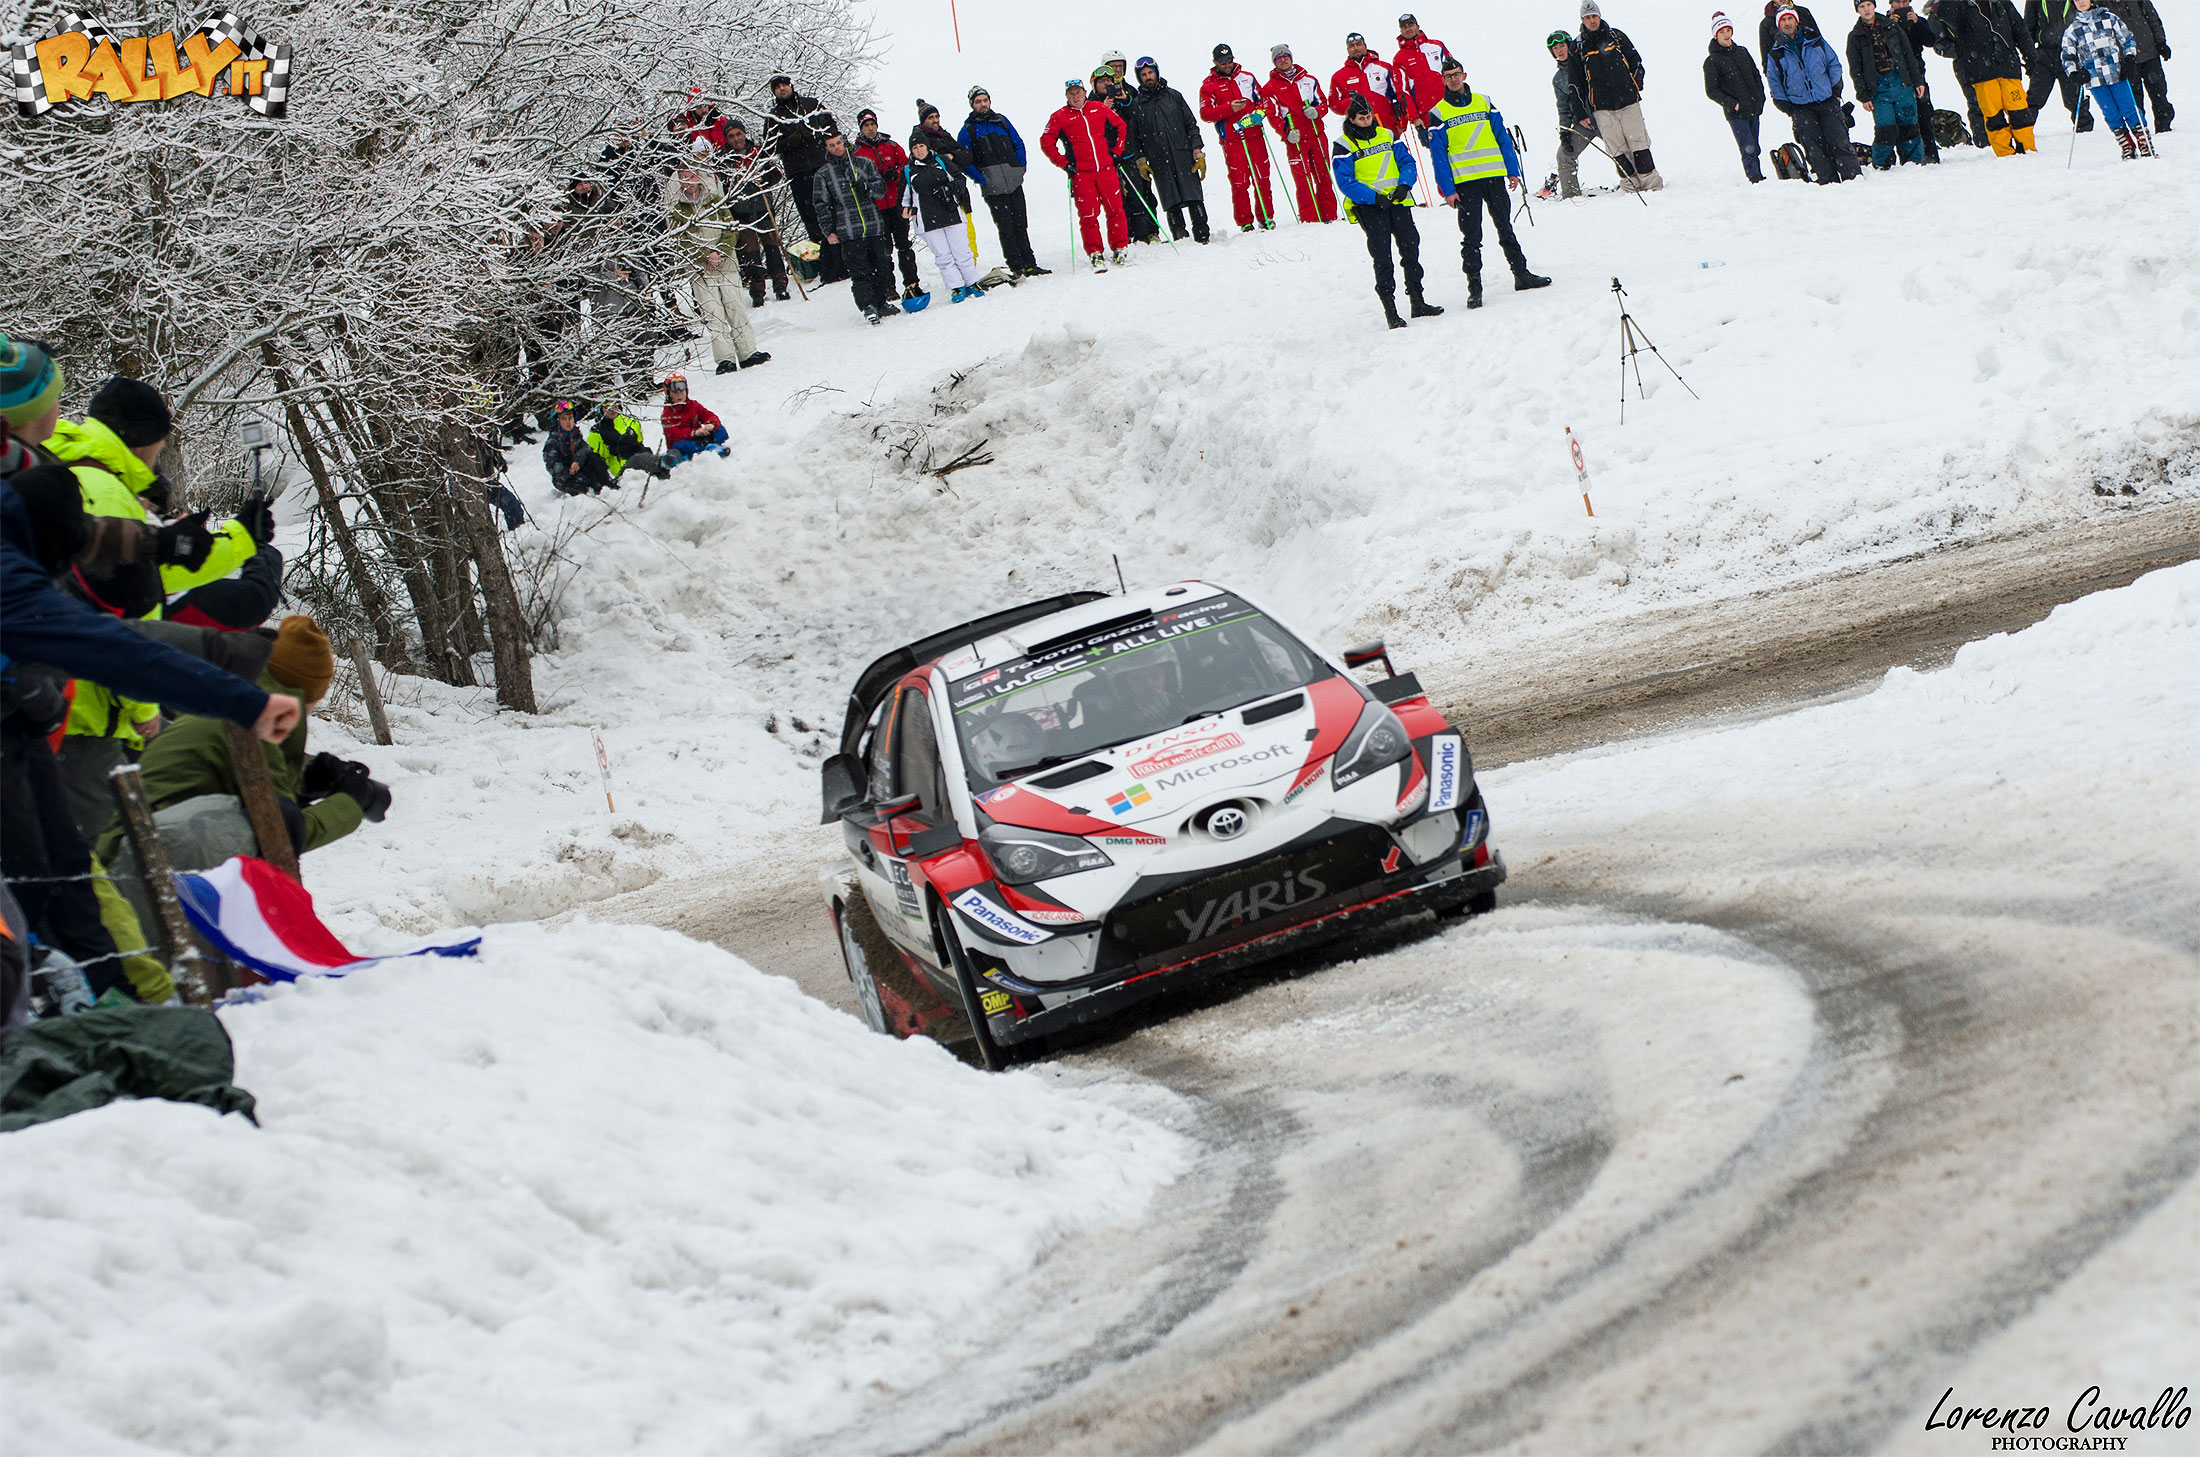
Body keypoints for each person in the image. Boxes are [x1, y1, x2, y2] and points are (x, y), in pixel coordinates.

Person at [45, 378, 255, 840]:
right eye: (161, 442)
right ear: (142, 440)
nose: (160, 453)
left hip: (57, 693)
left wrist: (240, 541)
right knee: (97, 851)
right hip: (84, 709)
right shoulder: (110, 494)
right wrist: (143, 705)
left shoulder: (67, 470)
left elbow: (139, 577)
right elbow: (132, 610)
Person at [94, 616, 389, 876]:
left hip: (137, 852)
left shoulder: (229, 705)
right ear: (305, 694)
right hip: (147, 866)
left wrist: (310, 773)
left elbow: (242, 773)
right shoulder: (253, 723)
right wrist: (351, 803)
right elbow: (278, 835)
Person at [1425, 58, 1550, 308]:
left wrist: (1512, 171)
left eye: (1457, 74)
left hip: (1494, 177)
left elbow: (1502, 137)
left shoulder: (1484, 102)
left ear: (1464, 75)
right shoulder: (1438, 113)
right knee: (1472, 237)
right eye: (1449, 76)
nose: (1454, 79)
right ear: (1443, 80)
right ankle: (1475, 288)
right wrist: (1447, 190)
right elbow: (1438, 156)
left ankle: (1521, 274)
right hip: (1465, 183)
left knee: (1506, 228)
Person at [1332, 93, 1443, 328]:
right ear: (1351, 119)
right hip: (1371, 208)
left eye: (1369, 117)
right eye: (1361, 118)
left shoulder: (1388, 135)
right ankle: (1391, 311)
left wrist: (1405, 184)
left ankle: (1417, 301)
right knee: (1383, 259)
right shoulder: (1343, 145)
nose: (1366, 121)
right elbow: (1345, 181)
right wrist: (1373, 198)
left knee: (1410, 249)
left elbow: (1407, 162)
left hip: (1398, 201)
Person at [664, 164, 770, 374]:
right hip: (700, 270)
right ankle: (725, 359)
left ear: (698, 177)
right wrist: (705, 256)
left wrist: (719, 252)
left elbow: (731, 229)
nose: (688, 182)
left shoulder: (715, 201)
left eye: (691, 177)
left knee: (736, 308)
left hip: (726, 264)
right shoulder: (677, 210)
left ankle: (748, 352)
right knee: (713, 314)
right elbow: (681, 240)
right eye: (683, 178)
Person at [810, 131, 901, 323]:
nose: (837, 147)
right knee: (860, 272)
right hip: (849, 230)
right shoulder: (823, 174)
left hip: (873, 225)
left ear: (844, 142)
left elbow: (880, 189)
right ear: (827, 148)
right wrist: (828, 230)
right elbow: (821, 204)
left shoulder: (864, 164)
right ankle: (868, 305)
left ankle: (881, 302)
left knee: (881, 267)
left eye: (838, 143)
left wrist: (867, 188)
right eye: (832, 145)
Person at [958, 87, 1049, 277]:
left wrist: (1020, 167)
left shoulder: (1001, 121)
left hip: (1014, 182)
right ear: (972, 105)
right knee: (1006, 227)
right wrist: (983, 179)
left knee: (1021, 224)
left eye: (985, 100)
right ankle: (1016, 266)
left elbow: (1018, 143)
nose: (982, 104)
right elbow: (964, 161)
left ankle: (1030, 263)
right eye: (978, 102)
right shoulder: (968, 130)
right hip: (993, 189)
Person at [1042, 78, 1132, 269]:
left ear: (1084, 92)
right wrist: (1064, 163)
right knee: (1088, 215)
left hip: (1106, 168)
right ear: (1066, 96)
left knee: (1115, 210)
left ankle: (1120, 247)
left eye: (1078, 92)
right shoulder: (1059, 116)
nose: (1075, 97)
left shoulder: (1098, 108)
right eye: (1071, 94)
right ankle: (1095, 251)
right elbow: (1046, 141)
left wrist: (1117, 151)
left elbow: (1121, 126)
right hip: (1082, 174)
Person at [1572, 1, 1664, 189]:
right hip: (1601, 108)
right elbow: (1575, 83)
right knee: (1618, 150)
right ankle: (1631, 187)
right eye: (1587, 17)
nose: (1592, 20)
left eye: (1594, 16)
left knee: (1639, 144)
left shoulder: (1617, 36)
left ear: (1600, 16)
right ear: (1582, 20)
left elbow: (1636, 62)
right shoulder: (1578, 46)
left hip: (1629, 101)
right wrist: (1581, 113)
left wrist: (1635, 84)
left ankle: (1652, 184)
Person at [1768, 3, 1863, 179]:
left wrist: (1835, 91)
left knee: (1840, 141)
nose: (1787, 23)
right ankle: (1828, 182)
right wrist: (1788, 108)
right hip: (1801, 107)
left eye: (1790, 19)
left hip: (1826, 100)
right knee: (1814, 149)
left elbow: (1833, 64)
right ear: (1779, 25)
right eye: (1783, 20)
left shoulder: (1815, 40)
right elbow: (1775, 83)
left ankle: (1853, 178)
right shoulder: (1776, 52)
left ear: (1796, 21)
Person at [1935, 0, 2043, 152]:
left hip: (2008, 66)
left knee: (2020, 110)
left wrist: (2031, 58)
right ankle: (2004, 152)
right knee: (1993, 115)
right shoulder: (1958, 6)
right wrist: (1966, 55)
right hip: (1981, 73)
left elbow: (2020, 31)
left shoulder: (2002, 3)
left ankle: (2027, 148)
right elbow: (1944, 25)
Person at [767, 75, 845, 282]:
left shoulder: (811, 105)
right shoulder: (774, 116)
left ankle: (845, 258)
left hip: (823, 166)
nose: (782, 89)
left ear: (791, 86)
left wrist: (820, 138)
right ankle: (826, 264)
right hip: (798, 172)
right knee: (811, 218)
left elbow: (832, 127)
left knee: (835, 211)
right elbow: (769, 146)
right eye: (777, 87)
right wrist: (790, 141)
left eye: (784, 85)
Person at [1129, 58, 1212, 242]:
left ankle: (1202, 236)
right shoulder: (1137, 105)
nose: (1148, 77)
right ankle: (1180, 238)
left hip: (1183, 155)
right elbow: (1135, 137)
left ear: (1157, 73)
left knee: (1194, 197)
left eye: (1150, 72)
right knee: (1171, 202)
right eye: (1144, 74)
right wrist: (1141, 160)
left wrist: (1197, 150)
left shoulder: (1174, 96)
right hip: (1158, 159)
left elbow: (1191, 125)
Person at [1198, 45, 1278, 231]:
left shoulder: (1247, 78)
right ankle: (1245, 222)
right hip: (1232, 139)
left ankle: (1266, 217)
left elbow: (1264, 100)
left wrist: (1259, 113)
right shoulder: (1209, 85)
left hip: (1254, 135)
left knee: (1262, 177)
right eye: (1222, 62)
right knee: (1239, 181)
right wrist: (1228, 108)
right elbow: (1205, 113)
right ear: (1215, 62)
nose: (1227, 65)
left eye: (1229, 60)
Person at [2063, 0, 2156, 154]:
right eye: (2077, 0)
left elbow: (2128, 39)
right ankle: (2126, 145)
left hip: (2116, 74)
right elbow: (2067, 56)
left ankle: (2144, 142)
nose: (2081, 2)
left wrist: (2130, 58)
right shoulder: (2073, 30)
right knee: (2110, 113)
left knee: (2129, 108)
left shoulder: (2109, 18)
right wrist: (2074, 73)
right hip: (2094, 79)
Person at [1263, 44, 1342, 222]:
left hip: (1316, 135)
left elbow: (1323, 103)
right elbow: (1273, 115)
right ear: (1274, 62)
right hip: (1296, 139)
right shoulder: (1270, 87)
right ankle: (1310, 218)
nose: (1283, 61)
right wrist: (1286, 133)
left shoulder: (1309, 80)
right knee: (1303, 180)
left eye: (1285, 57)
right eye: (1278, 59)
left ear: (1291, 58)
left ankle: (1329, 214)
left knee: (1323, 175)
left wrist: (1317, 112)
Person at [903, 137, 987, 300]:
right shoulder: (908, 171)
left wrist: (948, 189)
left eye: (921, 146)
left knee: (962, 251)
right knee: (943, 256)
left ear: (927, 147)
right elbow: (904, 198)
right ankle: (956, 287)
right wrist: (906, 210)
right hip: (927, 220)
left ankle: (972, 282)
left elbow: (960, 180)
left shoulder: (941, 161)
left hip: (951, 213)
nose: (919, 150)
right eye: (915, 148)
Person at [720, 121, 792, 307]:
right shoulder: (723, 160)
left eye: (739, 134)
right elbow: (721, 186)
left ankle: (780, 284)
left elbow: (776, 174)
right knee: (750, 253)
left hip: (763, 208)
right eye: (731, 136)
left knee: (772, 247)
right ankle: (757, 290)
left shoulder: (758, 153)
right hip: (741, 214)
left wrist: (763, 178)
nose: (736, 139)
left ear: (744, 134)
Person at [1849, 0, 1930, 164]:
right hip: (1878, 88)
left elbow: (1908, 55)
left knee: (1909, 125)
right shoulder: (1855, 36)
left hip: (1901, 82)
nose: (1866, 10)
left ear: (1874, 6)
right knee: (1885, 129)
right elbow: (1856, 69)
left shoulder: (1892, 26)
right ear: (1857, 10)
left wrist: (1917, 81)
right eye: (1862, 7)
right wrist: (1863, 96)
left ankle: (1914, 162)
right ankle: (1882, 164)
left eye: (1868, 5)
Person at [852, 111, 921, 299]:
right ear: (861, 128)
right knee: (883, 251)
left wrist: (895, 174)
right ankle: (888, 286)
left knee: (904, 245)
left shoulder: (890, 145)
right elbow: (854, 178)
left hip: (897, 202)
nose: (870, 129)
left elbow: (907, 165)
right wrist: (871, 183)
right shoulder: (856, 153)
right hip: (876, 207)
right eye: (866, 126)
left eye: (872, 124)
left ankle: (912, 282)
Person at [1094, 62, 1163, 243]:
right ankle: (1125, 237)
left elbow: (1138, 116)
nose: (1106, 84)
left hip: (1128, 154)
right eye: (1101, 81)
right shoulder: (1092, 103)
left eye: (1108, 81)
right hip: (1106, 159)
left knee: (1137, 195)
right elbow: (1093, 130)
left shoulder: (1123, 95)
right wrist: (1103, 109)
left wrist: (1125, 100)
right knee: (1116, 201)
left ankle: (1143, 235)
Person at [1705, 13, 1770, 179]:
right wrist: (1732, 104)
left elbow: (1756, 75)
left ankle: (1759, 175)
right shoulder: (1712, 61)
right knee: (1747, 147)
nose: (1726, 34)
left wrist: (1760, 97)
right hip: (1736, 113)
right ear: (1715, 35)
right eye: (1721, 32)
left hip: (1753, 107)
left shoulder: (1742, 51)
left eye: (1728, 30)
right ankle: (1755, 177)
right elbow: (1712, 90)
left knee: (1755, 146)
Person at [1548, 32, 1610, 197]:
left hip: (1604, 118)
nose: (1559, 50)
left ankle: (1633, 185)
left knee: (1621, 150)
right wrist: (1565, 132)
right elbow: (1563, 107)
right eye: (1555, 48)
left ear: (1569, 46)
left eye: (1562, 46)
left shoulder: (1586, 63)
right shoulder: (1558, 79)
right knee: (1564, 156)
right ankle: (1571, 195)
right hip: (1583, 124)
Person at [1887, 0, 1951, 158]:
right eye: (1898, 2)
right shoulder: (1884, 23)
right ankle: (1907, 157)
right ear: (1891, 4)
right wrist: (1890, 26)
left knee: (1924, 114)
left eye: (1904, 2)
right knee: (1902, 119)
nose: (1902, 6)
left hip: (1918, 75)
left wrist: (1917, 23)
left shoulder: (1917, 21)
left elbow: (1930, 41)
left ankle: (1930, 154)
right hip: (1894, 77)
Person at [2096, 0, 2170, 131]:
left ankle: (2164, 127)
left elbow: (2153, 18)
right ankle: (2140, 129)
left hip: (2149, 53)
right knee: (2133, 99)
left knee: (2159, 92)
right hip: (2124, 59)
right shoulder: (2100, 3)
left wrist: (2161, 42)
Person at [2026, 0, 2096, 128]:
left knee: (2074, 98)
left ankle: (2084, 130)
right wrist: (2029, 58)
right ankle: (2023, 131)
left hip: (2070, 53)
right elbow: (2028, 28)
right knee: (2035, 97)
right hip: (2044, 55)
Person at [1330, 31, 1403, 132]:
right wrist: (1352, 102)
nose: (1356, 48)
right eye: (1351, 46)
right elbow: (1333, 104)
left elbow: (1401, 95)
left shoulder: (1384, 68)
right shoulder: (1339, 76)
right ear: (1347, 50)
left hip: (1387, 127)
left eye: (1359, 44)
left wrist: (1402, 124)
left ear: (1365, 46)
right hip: (1359, 132)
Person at [1391, 13, 1454, 127]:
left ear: (1417, 26)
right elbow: (1403, 92)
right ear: (1401, 31)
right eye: (1404, 27)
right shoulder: (1399, 58)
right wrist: (1414, 118)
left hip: (1449, 105)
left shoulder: (1437, 46)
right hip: (1426, 114)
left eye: (1411, 25)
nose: (1408, 29)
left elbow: (1454, 73)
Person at [588, 403, 671, 483]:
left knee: (645, 458)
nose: (612, 410)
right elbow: (595, 460)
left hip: (642, 460)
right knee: (638, 459)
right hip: (624, 472)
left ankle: (667, 470)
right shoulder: (597, 432)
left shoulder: (630, 421)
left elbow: (639, 442)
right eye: (607, 408)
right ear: (600, 410)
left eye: (614, 406)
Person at [543, 401, 613, 494]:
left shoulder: (576, 434)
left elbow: (586, 448)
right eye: (564, 419)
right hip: (564, 477)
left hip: (580, 468)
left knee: (595, 457)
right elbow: (551, 464)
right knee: (582, 485)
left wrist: (577, 461)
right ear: (558, 421)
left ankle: (607, 484)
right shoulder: (553, 440)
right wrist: (568, 471)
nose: (568, 422)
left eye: (570, 418)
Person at [657, 374, 730, 463]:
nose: (679, 395)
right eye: (675, 393)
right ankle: (709, 450)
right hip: (683, 443)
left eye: (682, 392)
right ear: (669, 395)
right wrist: (693, 433)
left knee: (720, 429)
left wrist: (711, 424)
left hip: (699, 439)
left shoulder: (694, 406)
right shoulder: (667, 414)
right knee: (681, 445)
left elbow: (709, 415)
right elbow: (673, 434)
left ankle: (707, 447)